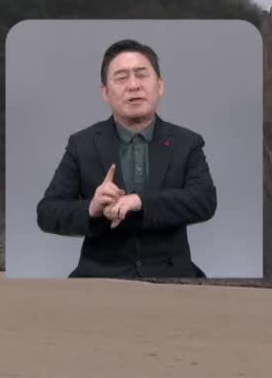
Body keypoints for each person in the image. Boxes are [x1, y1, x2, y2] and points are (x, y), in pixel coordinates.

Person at [35, 38, 217, 278]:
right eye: (121, 78)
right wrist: (92, 208)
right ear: (105, 93)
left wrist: (141, 201)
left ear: (160, 86)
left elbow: (204, 201)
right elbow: (47, 213)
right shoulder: (82, 144)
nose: (133, 86)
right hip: (99, 278)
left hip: (174, 277)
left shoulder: (187, 143)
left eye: (141, 75)